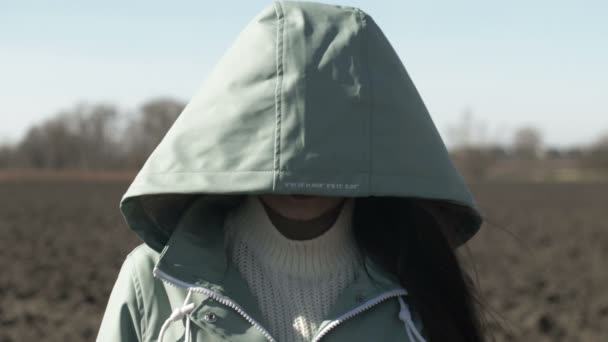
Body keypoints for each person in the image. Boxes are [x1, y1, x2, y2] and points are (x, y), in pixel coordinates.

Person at [96, 1, 486, 341]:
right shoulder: (154, 282)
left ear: (372, 137)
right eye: (278, 135)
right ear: (238, 128)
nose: (300, 168)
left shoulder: (421, 285)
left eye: (327, 135)